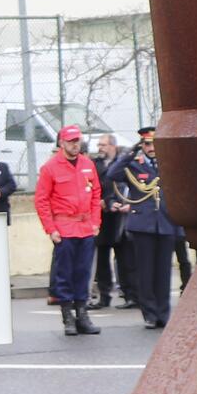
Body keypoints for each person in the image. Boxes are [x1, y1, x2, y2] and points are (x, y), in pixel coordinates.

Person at [34, 126, 105, 336]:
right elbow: (42, 200)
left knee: (83, 273)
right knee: (64, 274)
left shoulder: (87, 164)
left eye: (78, 141)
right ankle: (68, 317)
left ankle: (82, 315)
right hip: (64, 227)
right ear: (62, 143)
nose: (76, 144)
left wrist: (95, 222)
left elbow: (95, 194)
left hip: (85, 227)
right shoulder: (50, 168)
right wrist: (51, 228)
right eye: (71, 141)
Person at [112, 126, 179, 329]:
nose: (151, 148)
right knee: (146, 272)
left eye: (154, 144)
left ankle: (163, 313)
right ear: (142, 145)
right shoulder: (134, 165)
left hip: (165, 223)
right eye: (147, 144)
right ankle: (149, 314)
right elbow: (112, 174)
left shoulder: (168, 164)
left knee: (163, 273)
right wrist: (129, 153)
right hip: (143, 225)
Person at [90, 132, 129, 308]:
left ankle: (129, 293)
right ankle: (104, 296)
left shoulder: (121, 163)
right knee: (102, 258)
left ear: (112, 146)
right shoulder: (94, 164)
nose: (100, 148)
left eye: (103, 145)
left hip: (119, 214)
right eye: (99, 145)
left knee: (124, 256)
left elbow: (124, 185)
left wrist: (114, 201)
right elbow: (90, 185)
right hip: (101, 214)